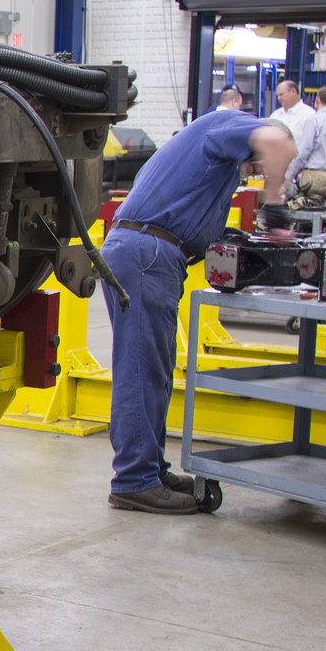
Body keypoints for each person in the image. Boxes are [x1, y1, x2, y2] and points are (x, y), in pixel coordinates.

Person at [100, 110, 296, 513]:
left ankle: (149, 470)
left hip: (149, 254)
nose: (255, 170)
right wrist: (274, 203)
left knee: (153, 370)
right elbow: (280, 143)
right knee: (140, 371)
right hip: (147, 254)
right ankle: (134, 480)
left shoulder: (209, 154)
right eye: (257, 164)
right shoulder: (227, 124)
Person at [268, 79, 315, 156]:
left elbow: (310, 144)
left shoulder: (309, 114)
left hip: (298, 162)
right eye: (278, 96)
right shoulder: (275, 115)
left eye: (281, 95)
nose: (278, 98)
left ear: (293, 92)